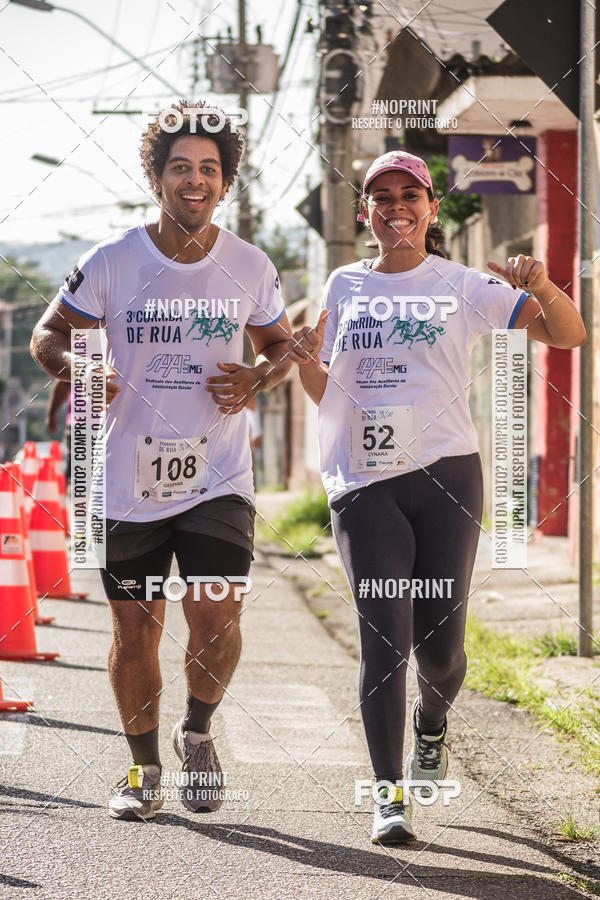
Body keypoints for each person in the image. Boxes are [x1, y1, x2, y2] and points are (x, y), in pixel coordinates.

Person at [288, 150, 585, 844]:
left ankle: (433, 721)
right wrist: (305, 362)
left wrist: (542, 285)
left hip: (447, 477)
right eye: (380, 196)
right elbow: (329, 392)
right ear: (365, 211)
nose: (395, 207)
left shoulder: (462, 284)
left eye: (408, 195)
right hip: (364, 482)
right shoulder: (343, 285)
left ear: (431, 208)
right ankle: (388, 796)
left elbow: (568, 335)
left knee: (441, 648)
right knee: (382, 640)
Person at [31, 101, 292, 821]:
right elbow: (47, 337)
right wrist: (79, 372)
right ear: (156, 177)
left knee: (215, 617)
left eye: (209, 168)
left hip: (219, 475)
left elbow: (281, 345)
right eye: (181, 167)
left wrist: (256, 377)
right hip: (127, 480)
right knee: (134, 630)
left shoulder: (249, 263)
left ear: (225, 182)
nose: (195, 179)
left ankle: (198, 732)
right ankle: (143, 771)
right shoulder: (113, 260)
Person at [46, 380, 71, 482]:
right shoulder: (79, 364)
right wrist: (51, 414)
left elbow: (63, 384)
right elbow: (64, 382)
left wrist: (52, 414)